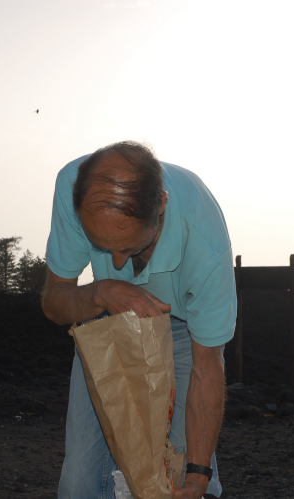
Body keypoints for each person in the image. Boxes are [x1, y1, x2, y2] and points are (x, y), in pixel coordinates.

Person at [42, 141, 236, 499]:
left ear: (160, 206)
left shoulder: (205, 243)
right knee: (80, 484)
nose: (117, 263)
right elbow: (54, 302)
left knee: (177, 478)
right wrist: (102, 292)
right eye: (101, 246)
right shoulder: (74, 186)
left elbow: (207, 367)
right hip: (103, 317)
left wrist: (198, 475)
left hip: (181, 323)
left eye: (129, 247)